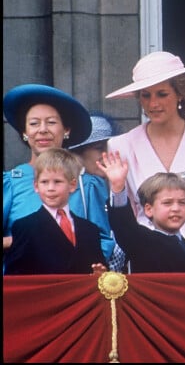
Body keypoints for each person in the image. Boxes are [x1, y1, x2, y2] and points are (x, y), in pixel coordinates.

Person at [105, 51, 185, 272]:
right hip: (148, 265)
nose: (153, 103)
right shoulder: (121, 145)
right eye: (145, 95)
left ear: (180, 94)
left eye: (162, 94)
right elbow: (123, 217)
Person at [3, 84, 115, 267]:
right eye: (34, 123)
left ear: (66, 130)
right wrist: (18, 240)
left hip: (74, 287)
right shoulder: (11, 183)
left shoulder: (86, 184)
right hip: (25, 287)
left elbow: (103, 239)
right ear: (24, 132)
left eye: (52, 122)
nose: (42, 129)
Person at [97, 151, 185, 273]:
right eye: (167, 203)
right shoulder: (141, 242)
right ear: (149, 209)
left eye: (182, 202)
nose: (176, 208)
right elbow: (124, 225)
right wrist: (118, 186)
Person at [4, 148, 107, 274]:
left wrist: (101, 274)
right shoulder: (24, 226)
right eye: (44, 182)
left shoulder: (90, 229)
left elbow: (100, 269)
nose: (50, 188)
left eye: (57, 182)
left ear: (72, 185)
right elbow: (15, 277)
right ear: (36, 186)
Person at [69, 113, 127, 272]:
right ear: (80, 153)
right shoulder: (88, 184)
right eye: (99, 148)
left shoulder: (112, 181)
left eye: (110, 148)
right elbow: (101, 236)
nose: (106, 155)